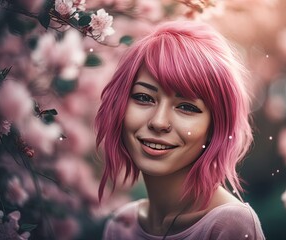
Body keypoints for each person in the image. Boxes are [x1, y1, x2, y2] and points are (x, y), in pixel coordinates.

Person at [95, 20, 265, 240]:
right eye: (143, 98)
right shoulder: (120, 226)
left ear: (215, 126)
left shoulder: (230, 225)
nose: (159, 122)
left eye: (186, 107)